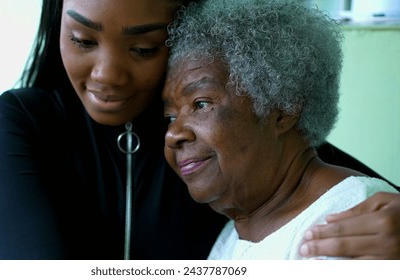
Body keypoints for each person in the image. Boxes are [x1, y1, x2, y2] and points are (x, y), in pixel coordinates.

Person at [0, 0, 400, 260]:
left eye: (143, 48)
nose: (107, 76)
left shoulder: (233, 139)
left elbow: (319, 172)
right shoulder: (26, 124)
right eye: (83, 40)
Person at [162, 0, 399, 259]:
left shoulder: (358, 216)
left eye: (201, 104)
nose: (173, 134)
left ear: (283, 110)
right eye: (170, 116)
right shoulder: (235, 233)